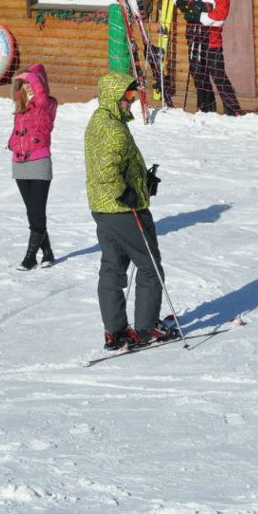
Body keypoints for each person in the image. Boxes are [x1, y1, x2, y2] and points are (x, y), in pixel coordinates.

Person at [84, 72, 178, 351]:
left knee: (113, 267)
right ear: (114, 96)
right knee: (149, 266)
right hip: (123, 210)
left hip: (103, 209)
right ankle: (146, 327)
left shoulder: (100, 120)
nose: (131, 101)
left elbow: (112, 162)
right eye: (127, 96)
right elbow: (107, 168)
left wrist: (142, 181)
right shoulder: (113, 129)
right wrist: (125, 193)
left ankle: (115, 330)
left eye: (133, 96)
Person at [174, 0, 242, 116]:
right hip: (194, 42)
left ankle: (233, 111)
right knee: (199, 76)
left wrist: (199, 15)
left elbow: (219, 18)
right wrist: (182, 4)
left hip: (212, 44)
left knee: (218, 76)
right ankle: (206, 109)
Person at [8, 64, 57, 270]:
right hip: (19, 164)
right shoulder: (20, 106)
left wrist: (30, 76)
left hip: (39, 162)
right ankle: (48, 253)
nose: (28, 86)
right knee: (32, 212)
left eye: (32, 82)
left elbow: (41, 94)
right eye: (25, 83)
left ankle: (30, 257)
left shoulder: (48, 104)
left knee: (37, 212)